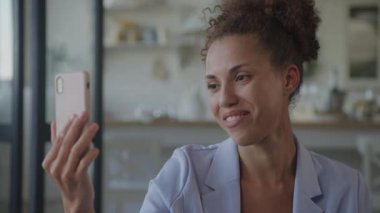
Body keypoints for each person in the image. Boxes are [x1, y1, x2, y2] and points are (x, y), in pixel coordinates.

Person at [43, 0, 372, 212]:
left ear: (288, 79)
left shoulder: (345, 190)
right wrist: (77, 204)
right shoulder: (184, 176)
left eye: (241, 77)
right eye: (213, 85)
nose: (224, 98)